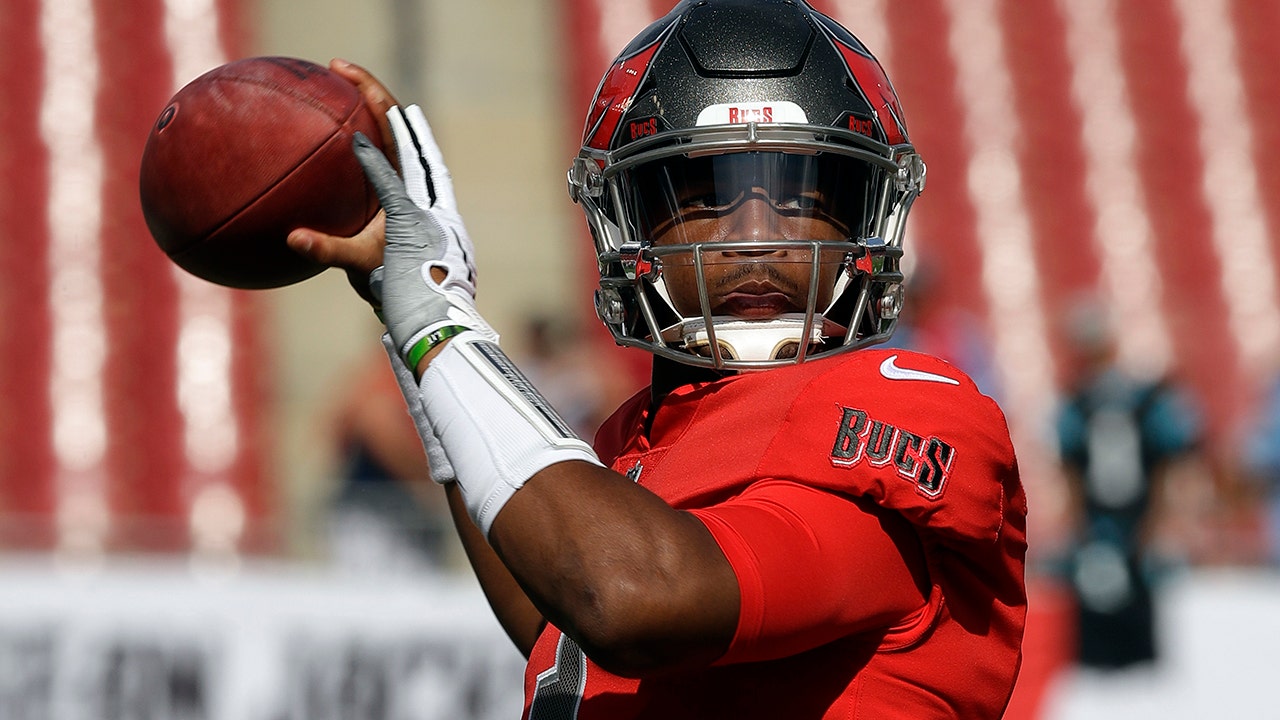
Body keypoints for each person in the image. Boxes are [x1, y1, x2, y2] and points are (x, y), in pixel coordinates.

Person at [289, 1, 1028, 716]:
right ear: (628, 221)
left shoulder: (911, 402)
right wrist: (422, 332)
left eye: (804, 189)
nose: (756, 236)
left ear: (868, 214)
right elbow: (566, 632)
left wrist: (441, 327)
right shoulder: (633, 440)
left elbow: (629, 598)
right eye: (705, 191)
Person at [1053, 299, 1202, 669]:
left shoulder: (1090, 401)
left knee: (1126, 634)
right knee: (1111, 633)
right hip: (1115, 523)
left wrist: (1164, 518)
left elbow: (1171, 457)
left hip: (1124, 522)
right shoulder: (1131, 398)